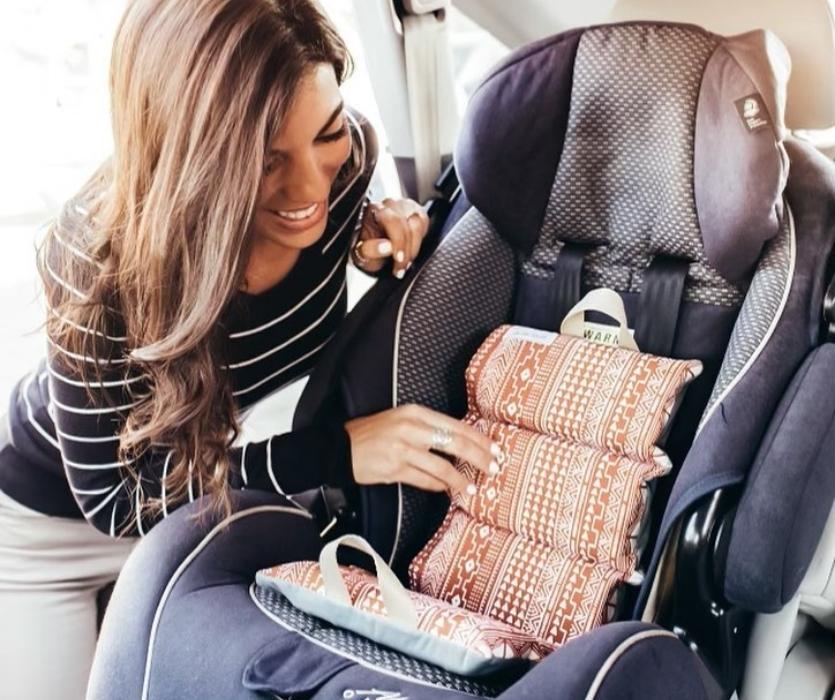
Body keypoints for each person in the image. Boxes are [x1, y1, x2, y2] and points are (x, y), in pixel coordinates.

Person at [0, 1, 499, 698]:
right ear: (192, 159)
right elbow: (116, 501)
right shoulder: (92, 260)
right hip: (51, 530)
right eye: (266, 161)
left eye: (324, 135)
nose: (307, 192)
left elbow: (328, 198)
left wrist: (379, 229)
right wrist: (337, 452)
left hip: (199, 510)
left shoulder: (345, 170)